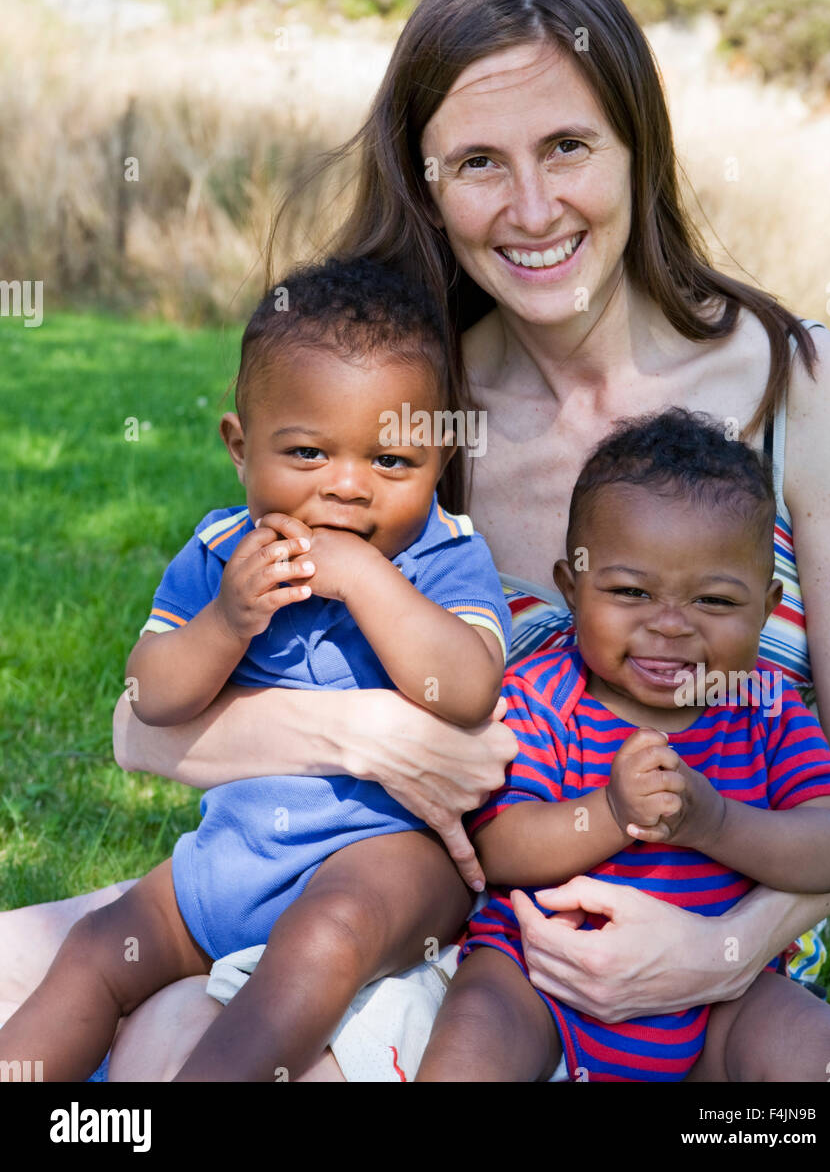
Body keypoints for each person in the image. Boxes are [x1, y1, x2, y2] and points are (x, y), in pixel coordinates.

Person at [1, 0, 830, 1082]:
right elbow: (138, 728)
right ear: (424, 182)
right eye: (476, 163)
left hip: (694, 944)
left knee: (176, 1039)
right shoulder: (403, 410)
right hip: (453, 921)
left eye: (566, 147)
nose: (532, 207)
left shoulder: (798, 384)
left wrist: (715, 951)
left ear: (635, 148)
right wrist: (368, 738)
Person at [0, 257, 511, 1082]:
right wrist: (226, 621)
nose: (347, 491)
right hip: (236, 853)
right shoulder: (221, 551)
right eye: (308, 454)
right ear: (241, 448)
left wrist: (363, 578)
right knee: (100, 947)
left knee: (326, 933)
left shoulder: (442, 556)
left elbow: (466, 685)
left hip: (390, 861)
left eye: (391, 463)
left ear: (439, 459)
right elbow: (149, 696)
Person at [416, 410, 830, 1083]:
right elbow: (499, 847)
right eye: (630, 592)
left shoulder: (765, 704)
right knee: (477, 1028)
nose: (669, 626)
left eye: (714, 601)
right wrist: (611, 809)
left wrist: (713, 822)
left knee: (811, 1043)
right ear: (572, 589)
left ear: (768, 609)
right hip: (542, 983)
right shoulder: (543, 692)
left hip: (718, 1000)